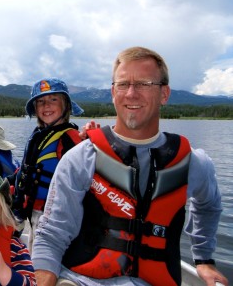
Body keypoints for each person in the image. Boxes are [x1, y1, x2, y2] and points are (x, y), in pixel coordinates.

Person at [32, 46, 229, 286]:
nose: (132, 94)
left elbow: (208, 205)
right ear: (113, 92)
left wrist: (204, 257)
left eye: (145, 83)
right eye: (123, 84)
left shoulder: (194, 163)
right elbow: (52, 234)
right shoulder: (81, 158)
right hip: (80, 280)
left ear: (164, 94)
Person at [12, 77, 87, 249]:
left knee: (40, 262)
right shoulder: (39, 134)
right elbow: (27, 168)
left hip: (53, 217)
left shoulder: (71, 139)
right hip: (32, 211)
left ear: (66, 105)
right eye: (40, 101)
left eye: (53, 100)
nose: (46, 106)